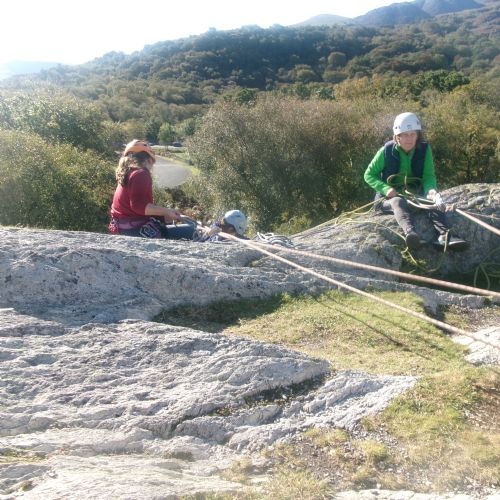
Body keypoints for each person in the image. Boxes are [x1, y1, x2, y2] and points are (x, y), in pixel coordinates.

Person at [364, 112, 467, 251]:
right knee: (397, 202)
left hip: (414, 194)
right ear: (397, 136)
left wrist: (431, 190)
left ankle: (445, 236)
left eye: (413, 134)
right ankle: (411, 234)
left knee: (433, 200)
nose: (409, 139)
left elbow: (428, 176)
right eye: (405, 135)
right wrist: (385, 189)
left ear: (418, 135)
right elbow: (369, 174)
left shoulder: (424, 150)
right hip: (388, 198)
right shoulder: (386, 151)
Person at [109, 140, 248, 241]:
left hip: (125, 229)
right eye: (153, 163)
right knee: (195, 233)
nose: (152, 167)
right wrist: (166, 211)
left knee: (188, 229)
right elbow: (139, 207)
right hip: (136, 231)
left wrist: (164, 216)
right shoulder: (141, 173)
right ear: (148, 160)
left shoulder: (128, 174)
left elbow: (134, 209)